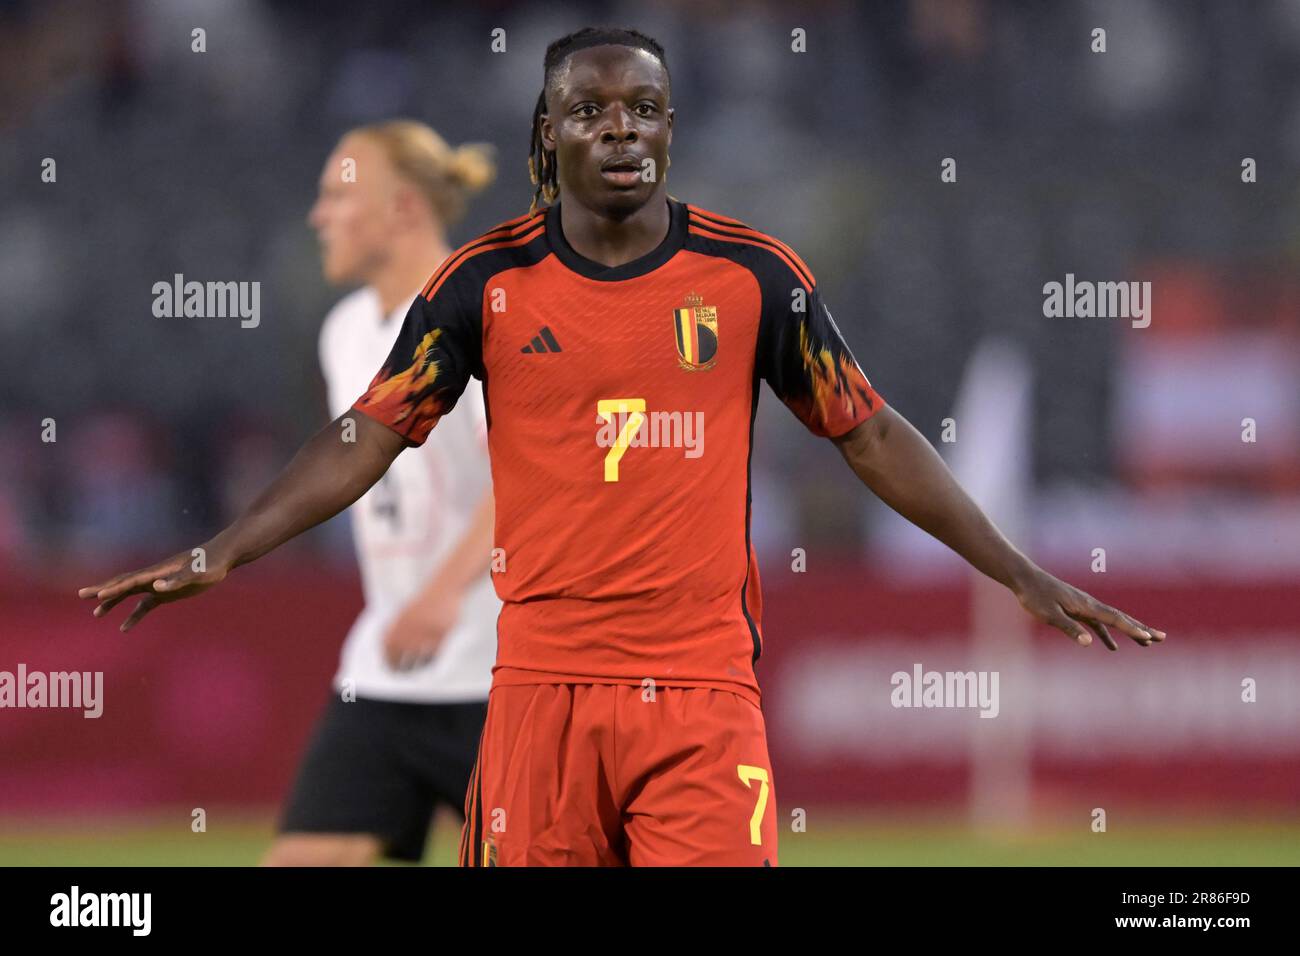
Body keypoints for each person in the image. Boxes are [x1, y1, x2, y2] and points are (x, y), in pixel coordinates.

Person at [79, 27, 1165, 867]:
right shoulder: (482, 286)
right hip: (540, 699)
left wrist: (1016, 570)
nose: (620, 128)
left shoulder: (751, 277)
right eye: (590, 109)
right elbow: (367, 432)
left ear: (670, 129)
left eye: (643, 107)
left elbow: (868, 431)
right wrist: (225, 548)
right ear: (546, 133)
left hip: (699, 696)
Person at [261, 120, 499, 866]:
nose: (318, 214)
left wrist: (441, 595)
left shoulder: (488, 314)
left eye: (338, 192)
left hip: (501, 676)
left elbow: (532, 485)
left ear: (402, 208)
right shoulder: (345, 333)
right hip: (385, 670)